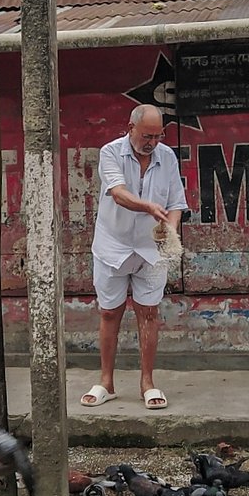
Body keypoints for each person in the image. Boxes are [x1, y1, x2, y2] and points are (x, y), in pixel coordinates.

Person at [81, 104, 187, 411]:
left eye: (157, 136)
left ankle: (147, 383)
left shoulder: (167, 156)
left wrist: (170, 228)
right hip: (112, 246)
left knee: (149, 312)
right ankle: (106, 383)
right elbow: (118, 193)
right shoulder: (110, 152)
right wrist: (150, 208)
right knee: (109, 313)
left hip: (151, 249)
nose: (152, 142)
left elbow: (177, 202)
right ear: (131, 128)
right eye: (146, 135)